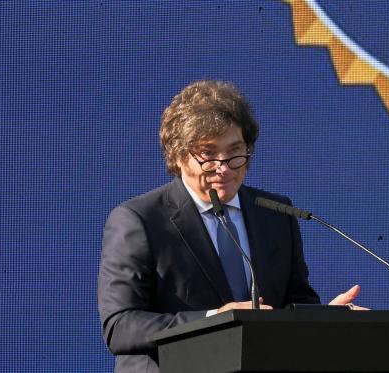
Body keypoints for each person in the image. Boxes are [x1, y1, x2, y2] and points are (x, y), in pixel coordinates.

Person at [97, 80, 361, 373]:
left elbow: (293, 303)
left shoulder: (275, 213)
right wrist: (215, 318)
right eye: (208, 154)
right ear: (179, 156)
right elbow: (120, 326)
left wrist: (324, 320)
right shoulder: (140, 220)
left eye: (235, 152)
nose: (223, 167)